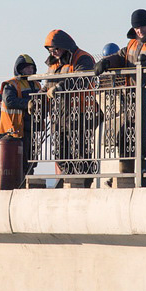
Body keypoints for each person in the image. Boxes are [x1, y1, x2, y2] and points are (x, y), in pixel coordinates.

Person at [93, 9, 146, 187]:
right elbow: (121, 56)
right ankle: (126, 177)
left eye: (142, 27)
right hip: (133, 101)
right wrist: (107, 62)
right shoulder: (132, 44)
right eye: (136, 28)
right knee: (126, 135)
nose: (139, 31)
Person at [44, 30, 98, 188]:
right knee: (61, 152)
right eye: (50, 50)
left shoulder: (83, 58)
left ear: (64, 46)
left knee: (80, 151)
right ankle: (69, 179)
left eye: (55, 49)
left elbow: (82, 79)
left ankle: (85, 183)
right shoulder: (53, 63)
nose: (53, 53)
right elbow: (47, 85)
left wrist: (60, 87)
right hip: (59, 114)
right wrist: (37, 100)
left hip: (80, 112)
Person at [0, 54, 42, 180]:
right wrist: (27, 103)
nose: (30, 70)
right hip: (16, 131)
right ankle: (21, 182)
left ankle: (28, 179)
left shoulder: (37, 85)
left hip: (32, 128)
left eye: (31, 68)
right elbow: (9, 100)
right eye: (27, 68)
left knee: (31, 160)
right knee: (19, 161)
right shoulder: (11, 84)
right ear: (20, 69)